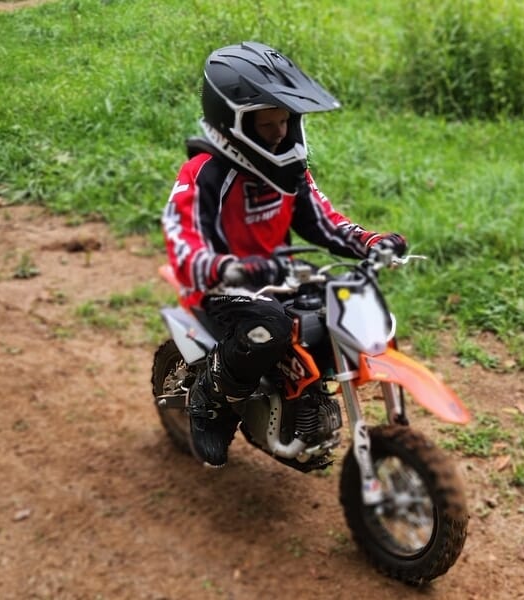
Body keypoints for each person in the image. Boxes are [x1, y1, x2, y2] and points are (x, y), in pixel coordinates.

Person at [161, 41, 407, 468]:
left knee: (342, 302)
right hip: (220, 285)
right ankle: (210, 400)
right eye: (267, 123)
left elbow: (322, 220)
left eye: (285, 120)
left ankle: (305, 399)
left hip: (277, 271)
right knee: (269, 326)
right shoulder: (204, 173)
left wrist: (368, 241)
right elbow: (185, 244)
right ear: (232, 119)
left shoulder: (287, 168)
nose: (279, 132)